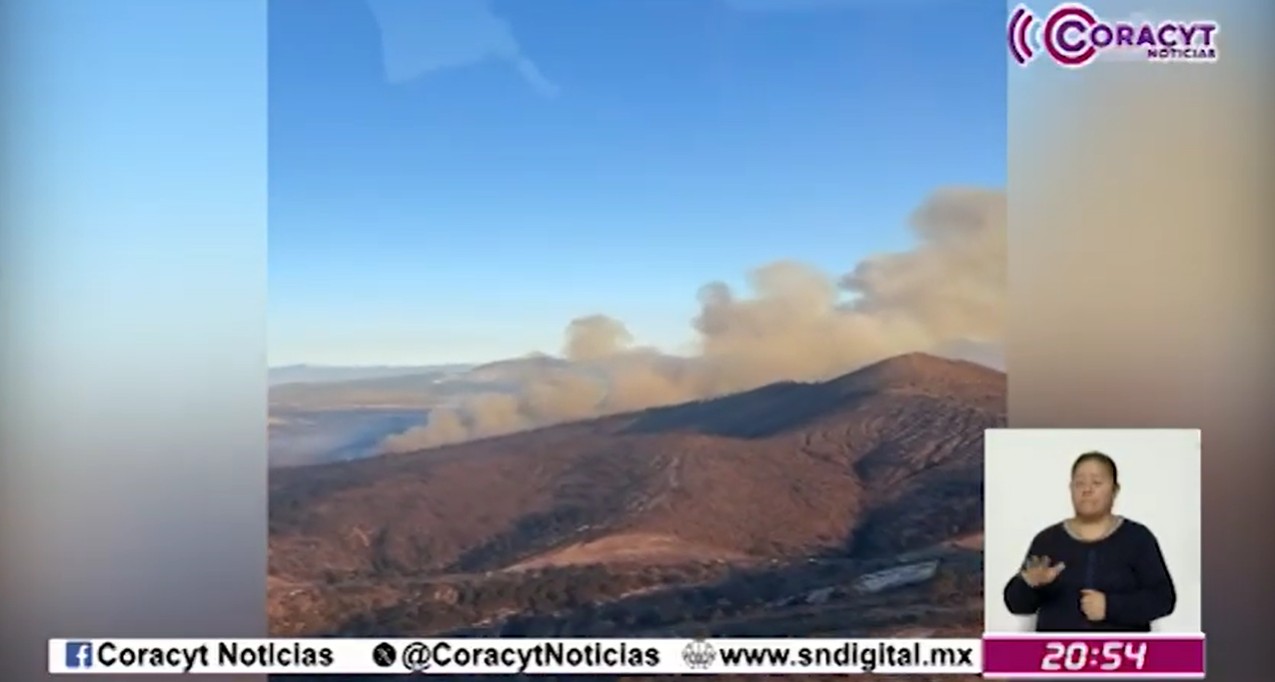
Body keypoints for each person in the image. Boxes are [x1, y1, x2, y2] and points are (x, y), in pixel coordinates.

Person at [1002, 451, 1177, 632]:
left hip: (1124, 656)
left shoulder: (1138, 538)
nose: (1087, 490)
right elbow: (1016, 605)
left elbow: (1163, 599)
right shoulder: (1047, 540)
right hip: (1056, 656)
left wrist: (1111, 607)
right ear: (1070, 489)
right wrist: (1029, 584)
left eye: (1096, 483)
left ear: (1115, 490)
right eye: (1079, 483)